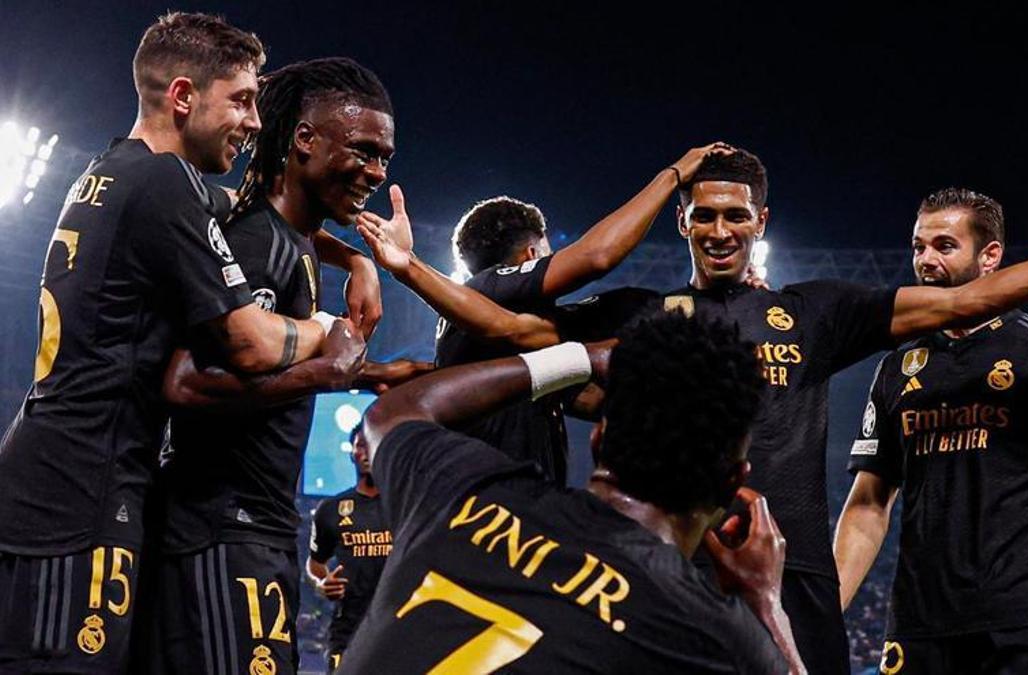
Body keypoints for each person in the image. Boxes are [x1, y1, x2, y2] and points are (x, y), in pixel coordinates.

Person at [356, 148, 1028, 674]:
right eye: (705, 215)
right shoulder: (638, 310)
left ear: (761, 225)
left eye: (736, 217)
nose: (720, 229)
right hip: (659, 569)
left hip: (790, 576)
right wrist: (408, 271)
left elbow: (962, 300)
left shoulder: (816, 311)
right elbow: (505, 328)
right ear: (683, 220)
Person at [0, 13, 352, 671]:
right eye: (242, 100)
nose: (254, 122)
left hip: (49, 481)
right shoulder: (165, 184)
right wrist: (328, 330)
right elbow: (248, 343)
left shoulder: (116, 172)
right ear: (184, 97)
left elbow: (239, 207)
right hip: (80, 501)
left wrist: (354, 259)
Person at [142, 57, 431, 675]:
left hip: (255, 526)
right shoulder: (250, 242)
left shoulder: (295, 237)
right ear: (304, 140)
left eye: (386, 155)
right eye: (364, 150)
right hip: (218, 526)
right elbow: (186, 383)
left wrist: (360, 264)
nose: (378, 171)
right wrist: (328, 374)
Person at [340, 311, 805, 673]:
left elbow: (393, 411)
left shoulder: (465, 489)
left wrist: (576, 358)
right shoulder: (708, 632)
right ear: (733, 482)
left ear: (598, 437)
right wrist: (764, 602)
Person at [833, 188, 1028, 675]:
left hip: (1025, 621)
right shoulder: (896, 370)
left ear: (990, 256)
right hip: (920, 626)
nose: (925, 260)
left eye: (944, 245)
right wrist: (824, 612)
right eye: (918, 246)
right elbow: (869, 504)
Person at [370, 143, 729, 485]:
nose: (555, 257)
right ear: (530, 254)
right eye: (549, 250)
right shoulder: (489, 288)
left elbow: (585, 398)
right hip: (490, 507)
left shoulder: (492, 329)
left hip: (499, 504)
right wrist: (673, 174)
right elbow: (597, 256)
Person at [308, 423, 391, 670]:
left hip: (398, 625)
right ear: (352, 454)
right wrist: (321, 584)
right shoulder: (331, 510)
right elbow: (315, 563)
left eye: (372, 445)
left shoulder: (405, 503)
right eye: (360, 446)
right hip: (349, 630)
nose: (366, 453)